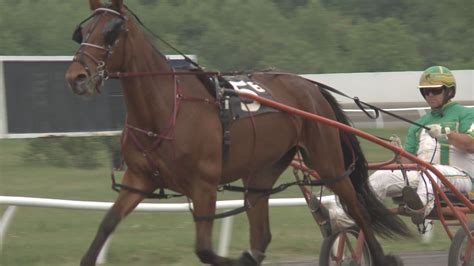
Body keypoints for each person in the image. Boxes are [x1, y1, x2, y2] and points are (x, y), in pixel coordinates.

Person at [314, 66, 474, 235]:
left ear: (449, 91)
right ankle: (337, 219)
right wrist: (399, 155)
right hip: (426, 178)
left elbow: (471, 144)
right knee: (381, 177)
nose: (430, 95)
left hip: (462, 179)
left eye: (434, 90)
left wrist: (446, 134)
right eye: (425, 92)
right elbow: (409, 164)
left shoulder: (466, 114)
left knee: (432, 172)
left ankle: (420, 209)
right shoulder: (419, 124)